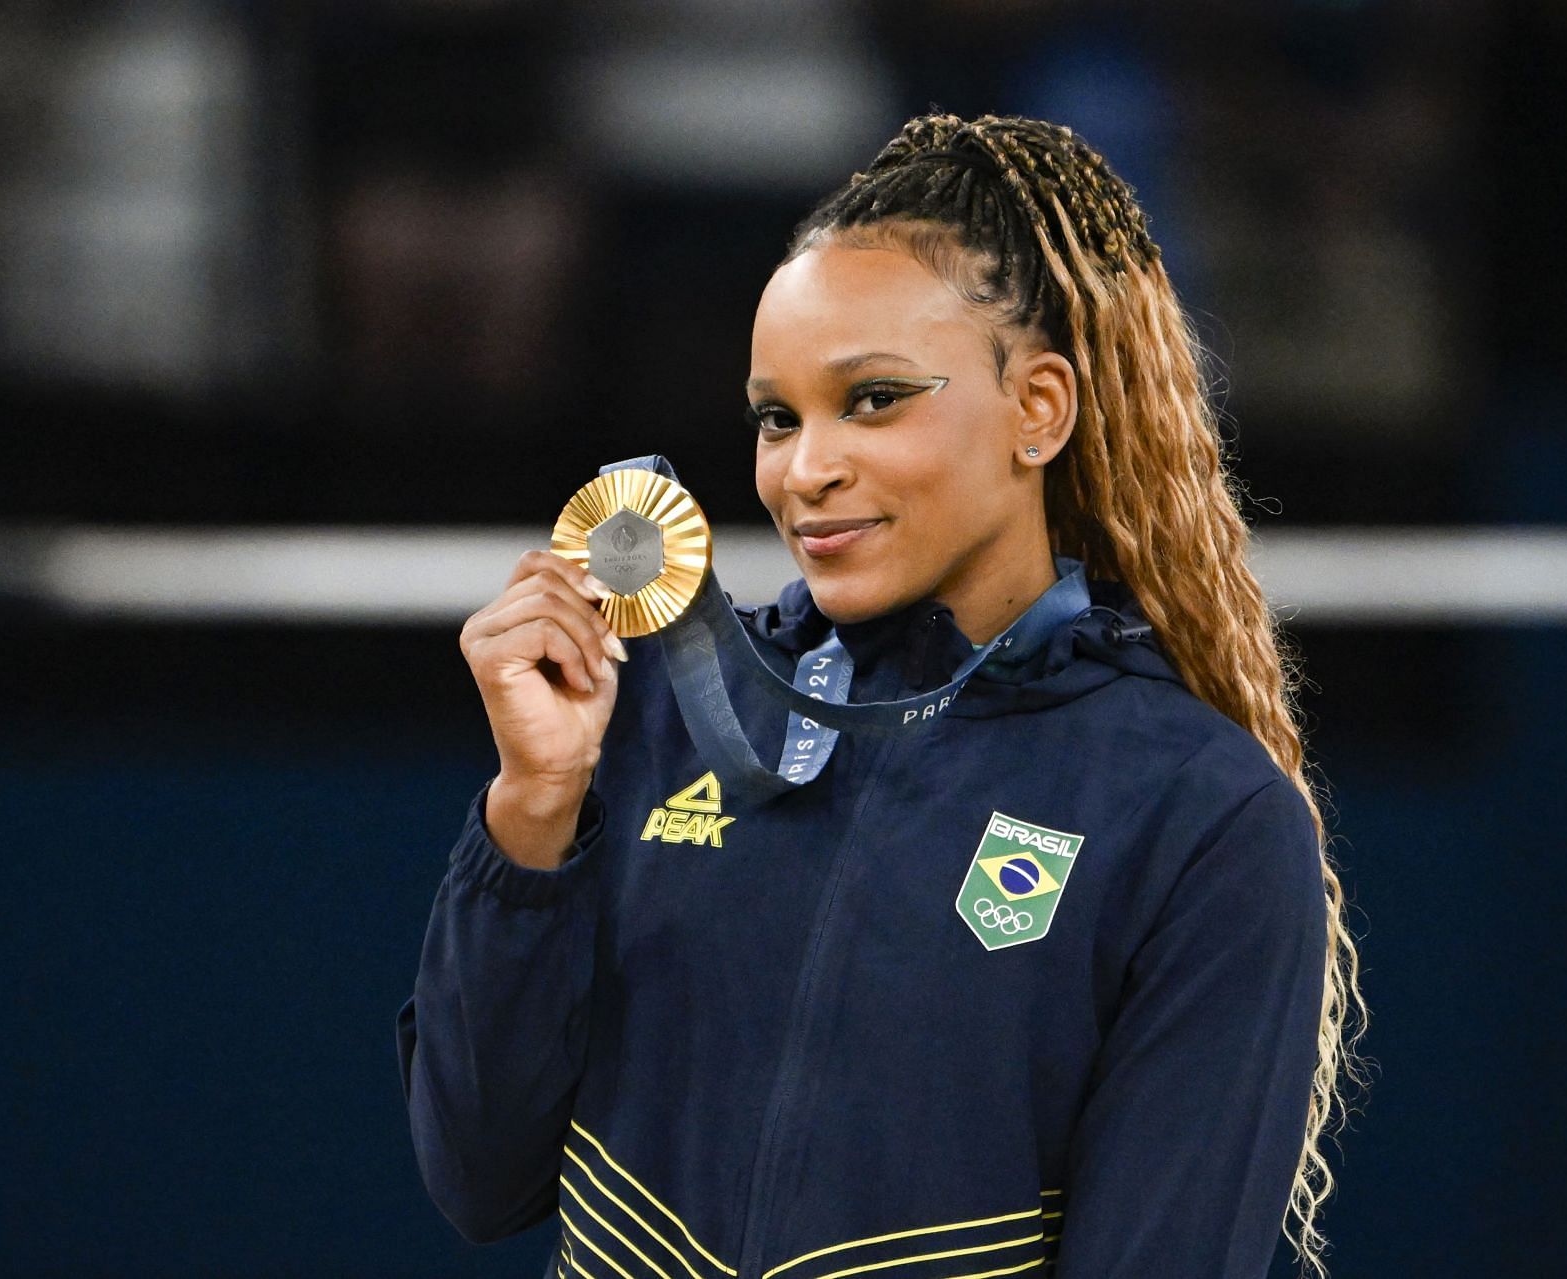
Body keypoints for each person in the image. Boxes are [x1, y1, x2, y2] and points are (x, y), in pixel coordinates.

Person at [399, 112, 1368, 1279]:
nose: (804, 469)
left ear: (1039, 409)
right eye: (776, 416)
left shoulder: (1196, 815)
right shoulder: (654, 713)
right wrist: (533, 812)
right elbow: (480, 1173)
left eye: (873, 400)